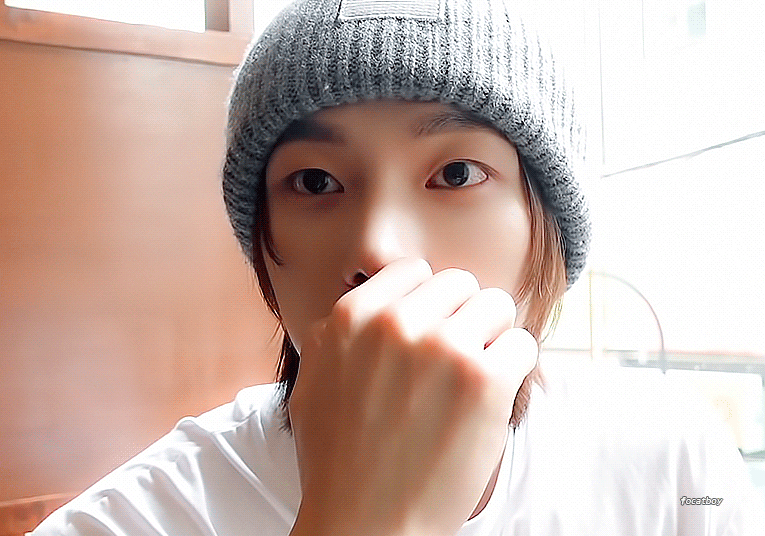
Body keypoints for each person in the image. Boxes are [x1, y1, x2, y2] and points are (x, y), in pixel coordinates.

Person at [31, 0, 764, 534]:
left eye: (455, 174)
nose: (379, 248)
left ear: (546, 226)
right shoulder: (141, 518)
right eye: (314, 181)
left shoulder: (674, 464)